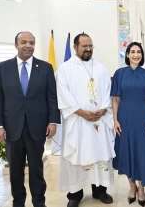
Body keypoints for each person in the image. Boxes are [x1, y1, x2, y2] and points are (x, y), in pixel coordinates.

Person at [0, 31, 60, 207]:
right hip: (12, 128)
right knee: (15, 171)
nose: (28, 45)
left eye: (31, 42)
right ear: (16, 44)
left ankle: (39, 202)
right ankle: (18, 202)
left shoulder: (45, 68)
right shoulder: (2, 68)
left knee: (37, 169)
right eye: (24, 42)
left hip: (37, 127)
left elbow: (52, 96)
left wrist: (53, 121)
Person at [56, 33, 115, 207]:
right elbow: (63, 94)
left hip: (99, 121)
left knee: (99, 153)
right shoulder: (65, 69)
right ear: (75, 47)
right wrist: (82, 112)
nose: (88, 49)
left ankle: (100, 190)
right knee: (78, 154)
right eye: (84, 46)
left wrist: (103, 109)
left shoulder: (101, 68)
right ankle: (75, 194)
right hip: (77, 121)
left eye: (90, 46)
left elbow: (108, 92)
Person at [111, 42, 145, 207]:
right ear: (127, 54)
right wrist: (115, 120)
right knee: (127, 152)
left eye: (139, 52)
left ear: (142, 55)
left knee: (143, 154)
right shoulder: (119, 74)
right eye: (133, 52)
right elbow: (115, 99)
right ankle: (132, 187)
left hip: (143, 118)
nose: (136, 55)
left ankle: (142, 188)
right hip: (124, 118)